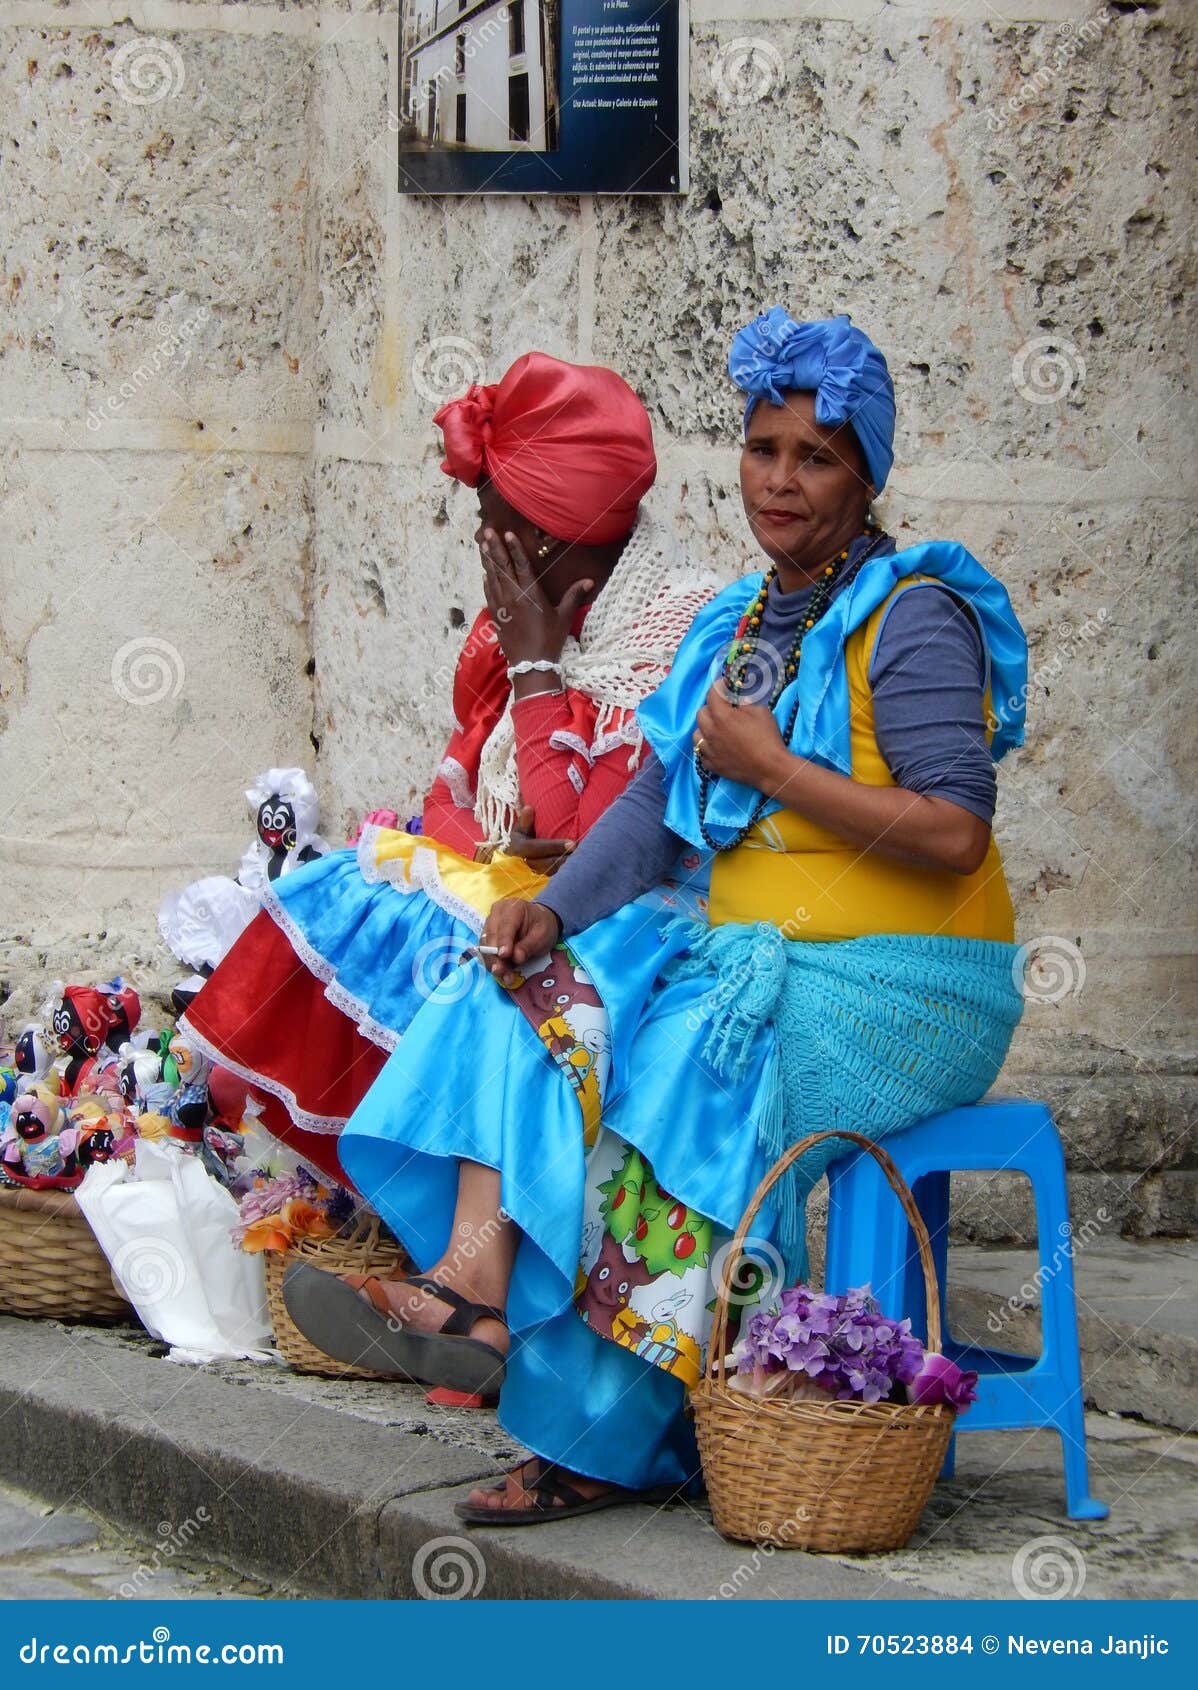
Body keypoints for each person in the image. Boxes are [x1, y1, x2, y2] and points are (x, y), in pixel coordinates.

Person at [283, 309, 1030, 1524]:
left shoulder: (914, 615)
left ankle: (606, 1437)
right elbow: (656, 809)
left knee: (685, 1067)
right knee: (528, 986)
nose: (779, 480)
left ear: (867, 474)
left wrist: (781, 770)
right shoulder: (748, 622)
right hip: (751, 946)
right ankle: (474, 1284)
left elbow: (955, 831)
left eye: (816, 457)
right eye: (762, 448)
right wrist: (554, 912)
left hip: (908, 980)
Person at [180, 352, 724, 1180]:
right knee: (358, 888)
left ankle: (435, 1230)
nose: (479, 538)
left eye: (490, 518)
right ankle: (384, 1201)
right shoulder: (536, 621)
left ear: (547, 538)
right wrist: (474, 841)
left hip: (634, 928)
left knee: (401, 916)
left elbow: (581, 849)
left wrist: (537, 671)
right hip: (537, 896)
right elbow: (462, 798)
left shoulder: (665, 638)